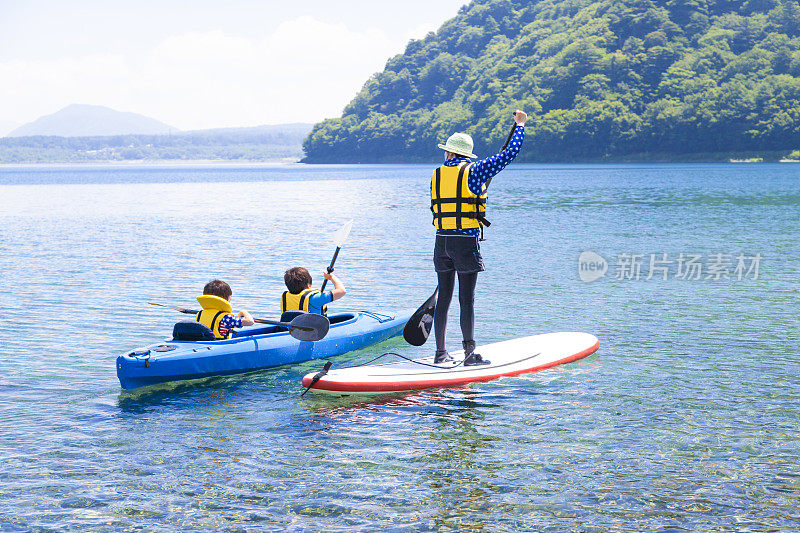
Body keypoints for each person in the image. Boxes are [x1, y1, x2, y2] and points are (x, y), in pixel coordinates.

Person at [430, 110, 527, 365]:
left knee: (445, 298)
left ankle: (440, 353)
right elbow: (508, 155)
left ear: (449, 153)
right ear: (466, 154)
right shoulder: (476, 170)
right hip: (464, 243)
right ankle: (470, 354)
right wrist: (519, 126)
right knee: (467, 300)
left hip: (441, 241)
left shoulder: (437, 173)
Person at [281, 267, 346, 316]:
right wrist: (331, 277)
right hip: (312, 332)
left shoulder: (285, 297)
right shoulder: (315, 298)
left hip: (291, 330)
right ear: (308, 285)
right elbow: (342, 291)